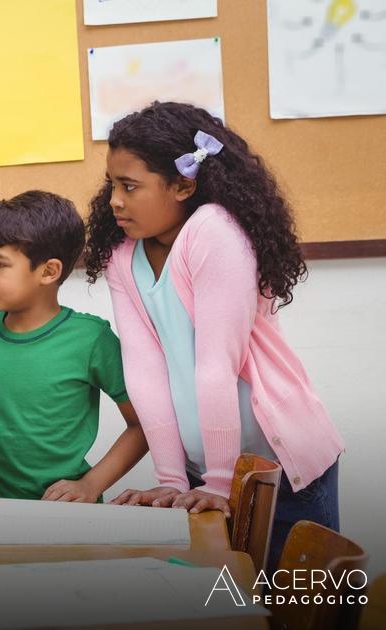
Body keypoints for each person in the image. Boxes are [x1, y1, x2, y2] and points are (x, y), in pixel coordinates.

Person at [85, 102, 343, 570]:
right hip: (204, 475)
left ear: (184, 184)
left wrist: (221, 481)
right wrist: (173, 481)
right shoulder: (124, 257)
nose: (115, 201)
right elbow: (146, 372)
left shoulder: (213, 231)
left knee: (298, 606)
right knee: (229, 603)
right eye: (112, 186)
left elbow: (215, 365)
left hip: (281, 465)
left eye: (129, 186)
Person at [0, 191, 147, 505]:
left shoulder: (91, 338)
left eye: (0, 264)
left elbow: (143, 425)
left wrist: (90, 484)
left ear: (48, 271)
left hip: (66, 517)